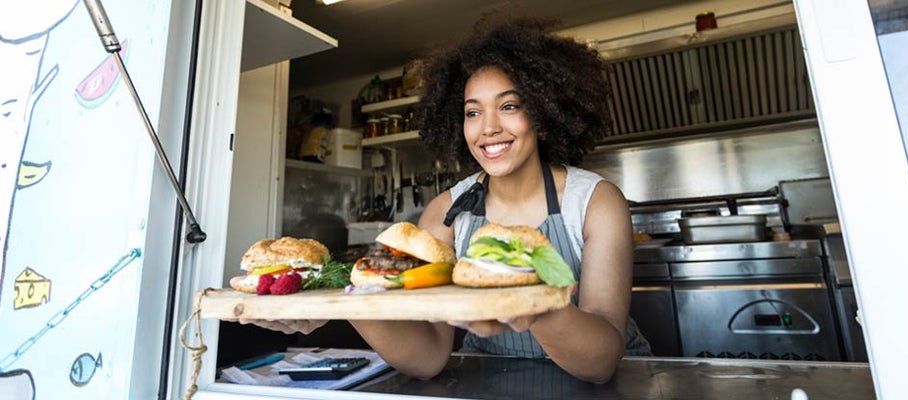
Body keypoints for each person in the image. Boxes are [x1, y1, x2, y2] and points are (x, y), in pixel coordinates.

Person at [244, 15, 651, 383]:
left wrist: (535, 304)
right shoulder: (446, 213)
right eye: (473, 113)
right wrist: (346, 302)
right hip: (489, 381)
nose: (488, 128)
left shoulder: (595, 201)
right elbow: (429, 356)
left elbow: (600, 364)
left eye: (509, 106)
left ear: (545, 112)